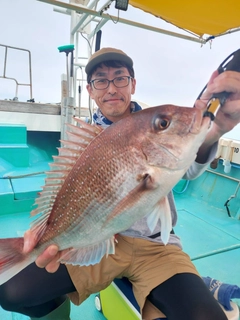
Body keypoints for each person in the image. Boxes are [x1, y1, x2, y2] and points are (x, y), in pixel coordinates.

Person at [0, 47, 240, 320]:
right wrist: (42, 232)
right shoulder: (84, 144)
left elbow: (189, 166)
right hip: (98, 241)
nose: (111, 88)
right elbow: (60, 192)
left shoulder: (151, 125)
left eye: (120, 78)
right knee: (12, 292)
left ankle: (175, 293)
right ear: (90, 90)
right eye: (101, 80)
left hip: (157, 247)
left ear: (133, 84)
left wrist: (213, 131)